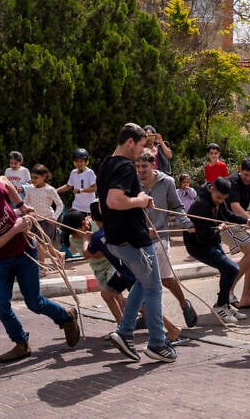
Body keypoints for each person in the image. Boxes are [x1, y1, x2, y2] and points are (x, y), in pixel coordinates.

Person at [0, 175, 80, 363]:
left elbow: (4, 179)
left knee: (34, 302)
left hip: (25, 251)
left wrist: (21, 206)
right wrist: (15, 229)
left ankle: (66, 317)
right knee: (0, 304)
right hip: (1, 260)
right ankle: (21, 343)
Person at [99, 123, 179, 363]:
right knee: (154, 288)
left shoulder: (106, 164)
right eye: (143, 145)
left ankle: (124, 332)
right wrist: (140, 200)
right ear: (131, 142)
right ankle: (157, 343)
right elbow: (114, 200)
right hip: (132, 239)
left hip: (116, 237)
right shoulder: (124, 165)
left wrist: (138, 201)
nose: (146, 151)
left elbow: (104, 206)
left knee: (144, 284)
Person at [81, 204, 183, 341]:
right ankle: (121, 327)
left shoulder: (97, 237)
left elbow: (87, 254)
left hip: (130, 272)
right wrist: (146, 231)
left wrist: (86, 240)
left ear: (92, 217)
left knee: (142, 305)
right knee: (107, 293)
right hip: (124, 271)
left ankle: (172, 329)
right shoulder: (116, 228)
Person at [136, 151, 198, 328]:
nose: (141, 170)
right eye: (138, 167)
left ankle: (184, 304)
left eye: (144, 166)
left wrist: (188, 225)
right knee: (143, 281)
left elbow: (177, 207)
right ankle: (150, 316)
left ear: (152, 165)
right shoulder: (133, 183)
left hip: (160, 237)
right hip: (140, 238)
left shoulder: (167, 182)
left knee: (165, 279)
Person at [183, 177, 249, 324]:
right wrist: (219, 229)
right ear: (212, 189)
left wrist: (247, 221)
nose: (220, 201)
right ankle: (219, 306)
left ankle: (224, 304)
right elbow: (202, 237)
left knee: (227, 270)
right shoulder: (201, 206)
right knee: (232, 268)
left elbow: (226, 215)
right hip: (198, 246)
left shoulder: (217, 200)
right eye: (219, 198)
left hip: (211, 240)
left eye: (223, 199)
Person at [222, 158, 250, 308]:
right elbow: (234, 206)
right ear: (240, 169)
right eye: (245, 175)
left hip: (237, 223)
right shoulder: (232, 181)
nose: (248, 179)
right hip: (225, 223)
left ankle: (246, 298)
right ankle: (227, 290)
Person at [56, 148, 98, 259]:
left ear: (86, 161)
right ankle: (64, 249)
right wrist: (55, 191)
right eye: (77, 161)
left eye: (81, 161)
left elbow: (95, 188)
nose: (79, 163)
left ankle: (91, 250)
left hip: (89, 208)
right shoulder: (73, 173)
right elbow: (68, 185)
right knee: (67, 226)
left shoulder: (90, 173)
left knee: (89, 229)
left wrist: (81, 190)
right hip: (77, 207)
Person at [24, 164, 64, 246]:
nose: (33, 180)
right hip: (34, 220)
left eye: (36, 177)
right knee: (36, 244)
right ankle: (56, 255)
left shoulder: (50, 190)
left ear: (44, 177)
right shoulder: (30, 188)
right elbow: (25, 204)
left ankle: (57, 255)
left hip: (47, 221)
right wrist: (26, 212)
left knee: (44, 245)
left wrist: (54, 217)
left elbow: (60, 205)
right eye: (32, 177)